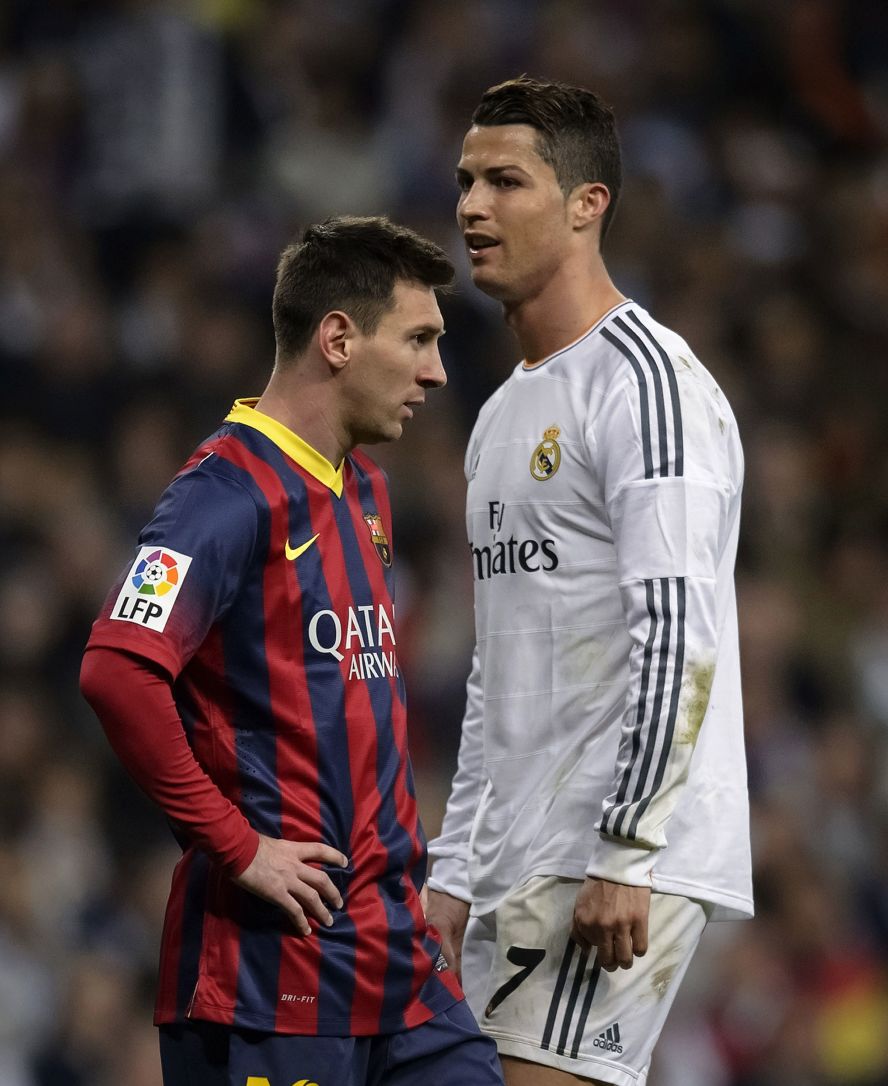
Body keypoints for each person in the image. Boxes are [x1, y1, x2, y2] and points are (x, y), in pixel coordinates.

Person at [80, 216, 505, 1086]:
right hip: (275, 972)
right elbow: (117, 672)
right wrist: (239, 847)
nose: (437, 371)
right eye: (419, 340)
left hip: (398, 954)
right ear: (339, 339)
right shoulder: (222, 496)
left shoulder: (367, 492)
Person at [426, 76, 753, 1086]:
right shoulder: (498, 416)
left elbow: (678, 628)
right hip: (513, 858)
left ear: (586, 204)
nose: (473, 207)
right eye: (467, 181)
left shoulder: (645, 386)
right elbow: (499, 668)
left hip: (607, 859)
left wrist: (624, 851)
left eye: (506, 181)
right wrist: (450, 873)